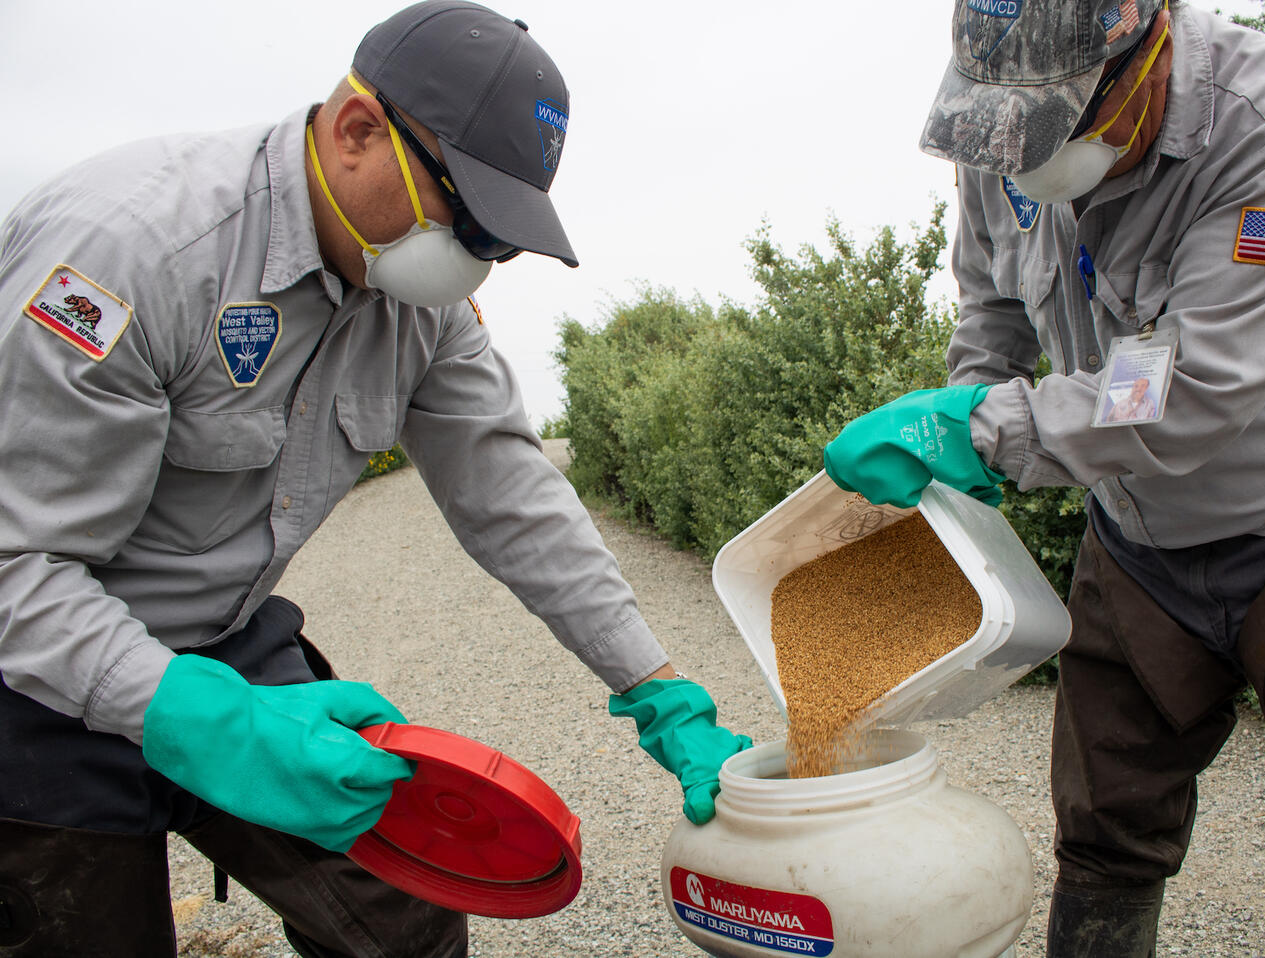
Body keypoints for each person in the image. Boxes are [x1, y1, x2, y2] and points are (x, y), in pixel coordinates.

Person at [0, 3, 749, 956]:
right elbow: (15, 568)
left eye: (498, 240)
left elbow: (510, 494)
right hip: (33, 678)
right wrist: (201, 721)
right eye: (465, 219)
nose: (474, 260)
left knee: (405, 921)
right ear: (358, 131)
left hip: (226, 646)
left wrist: (655, 684)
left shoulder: (419, 306)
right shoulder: (128, 254)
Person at [823, 1, 1265, 955]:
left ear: (1145, 53)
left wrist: (980, 432)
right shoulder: (998, 131)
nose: (1022, 154)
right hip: (1139, 542)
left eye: (1051, 121)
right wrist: (959, 424)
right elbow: (992, 309)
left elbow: (1195, 386)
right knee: (1103, 825)